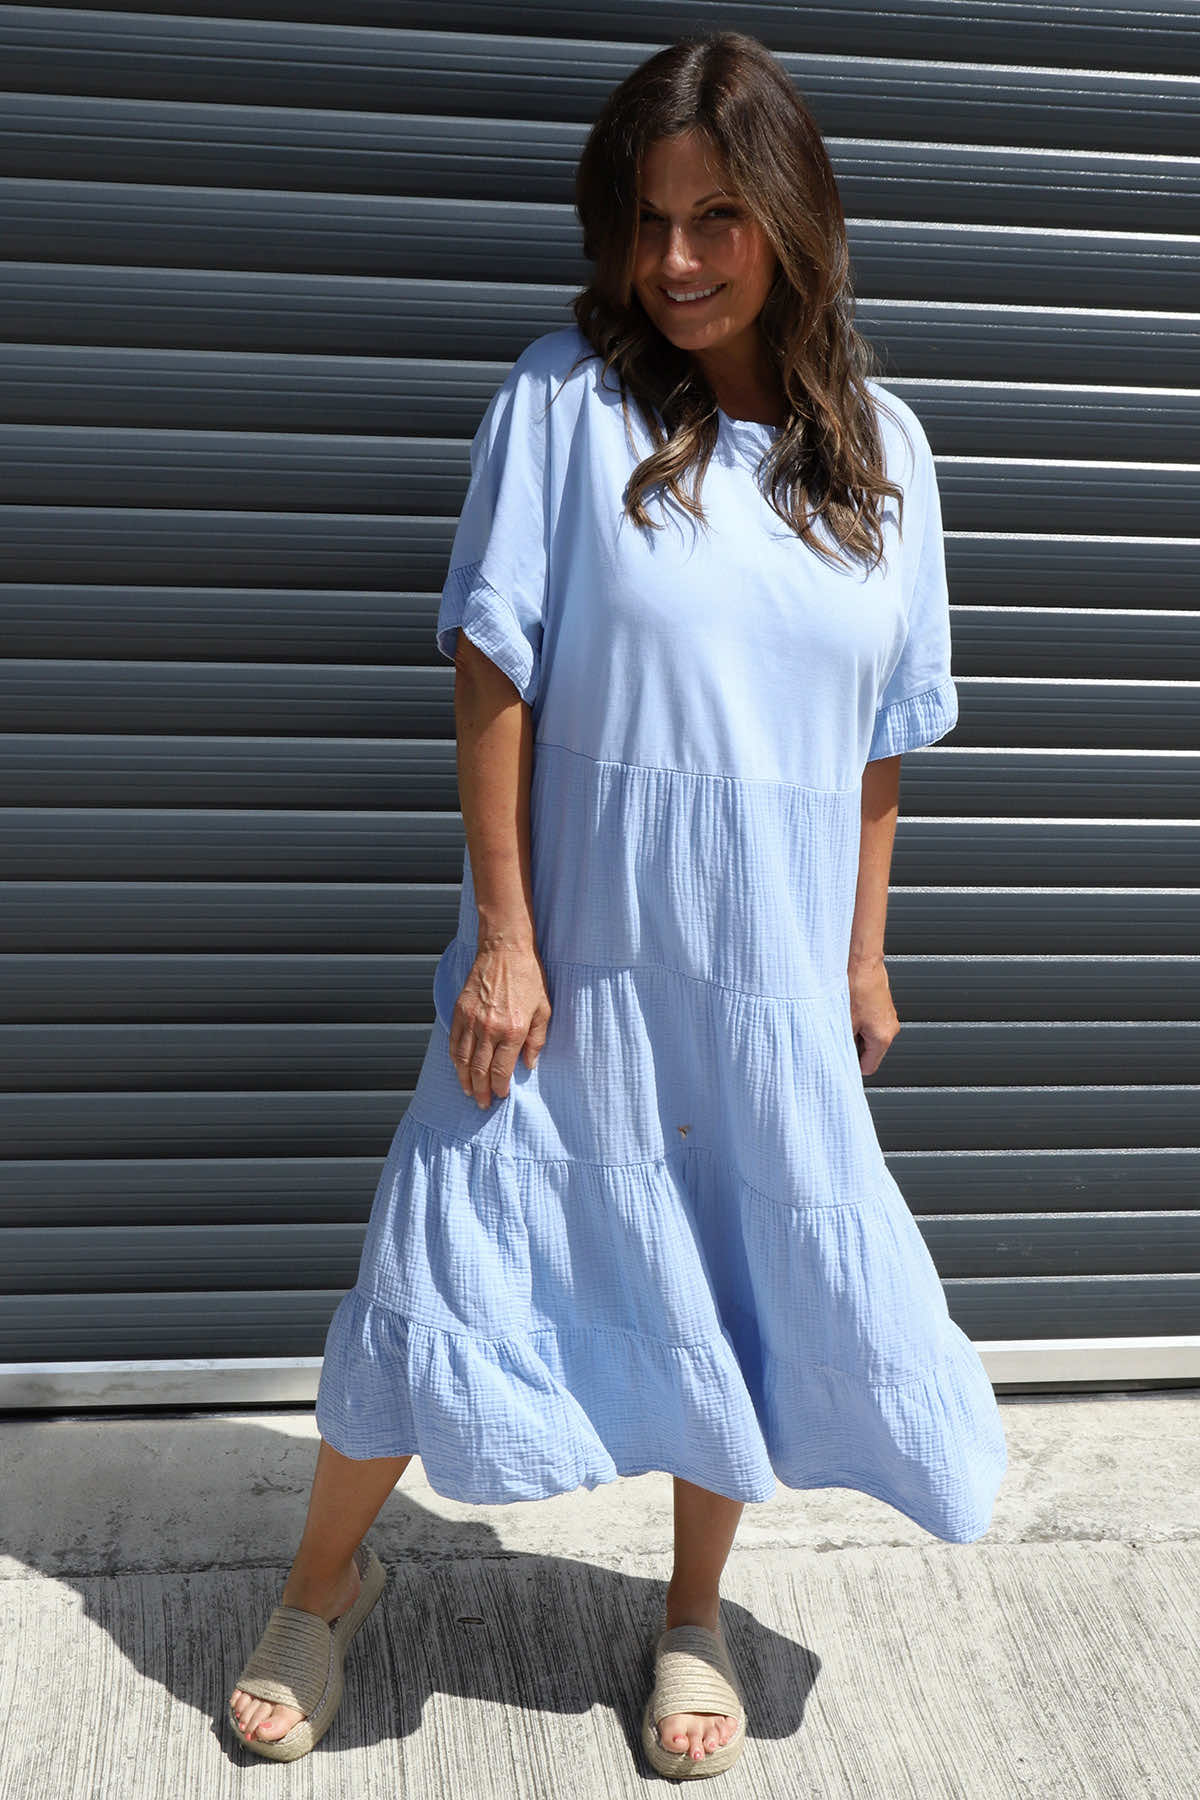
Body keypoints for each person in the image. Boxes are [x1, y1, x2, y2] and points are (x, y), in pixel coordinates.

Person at [228, 30, 1008, 1780]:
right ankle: (322, 1585)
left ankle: (692, 1614)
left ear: (791, 218)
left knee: (738, 1272)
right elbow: (491, 667)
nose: (675, 259)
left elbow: (884, 739)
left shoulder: (886, 455)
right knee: (438, 1255)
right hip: (572, 957)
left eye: (716, 217)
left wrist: (864, 952)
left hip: (767, 966)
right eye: (649, 221)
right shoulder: (565, 406)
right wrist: (505, 937)